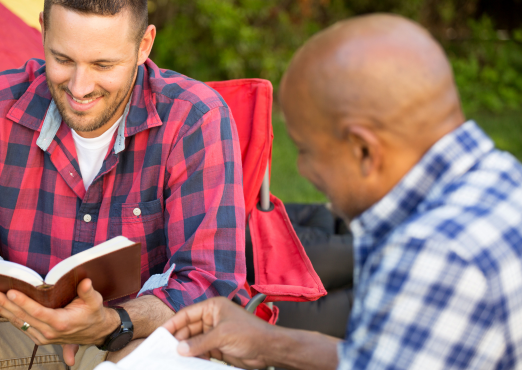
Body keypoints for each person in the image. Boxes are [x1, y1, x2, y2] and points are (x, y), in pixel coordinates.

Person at [164, 13, 522, 370]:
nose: (302, 169)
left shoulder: (433, 255)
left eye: (306, 151)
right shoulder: (502, 180)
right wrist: (269, 342)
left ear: (363, 150)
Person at [0, 1, 248, 369]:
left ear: (144, 45)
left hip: (127, 339)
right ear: (44, 29)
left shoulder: (194, 119)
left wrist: (111, 323)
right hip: (10, 330)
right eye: (62, 59)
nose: (79, 87)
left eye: (102, 65)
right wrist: (17, 306)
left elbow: (213, 287)